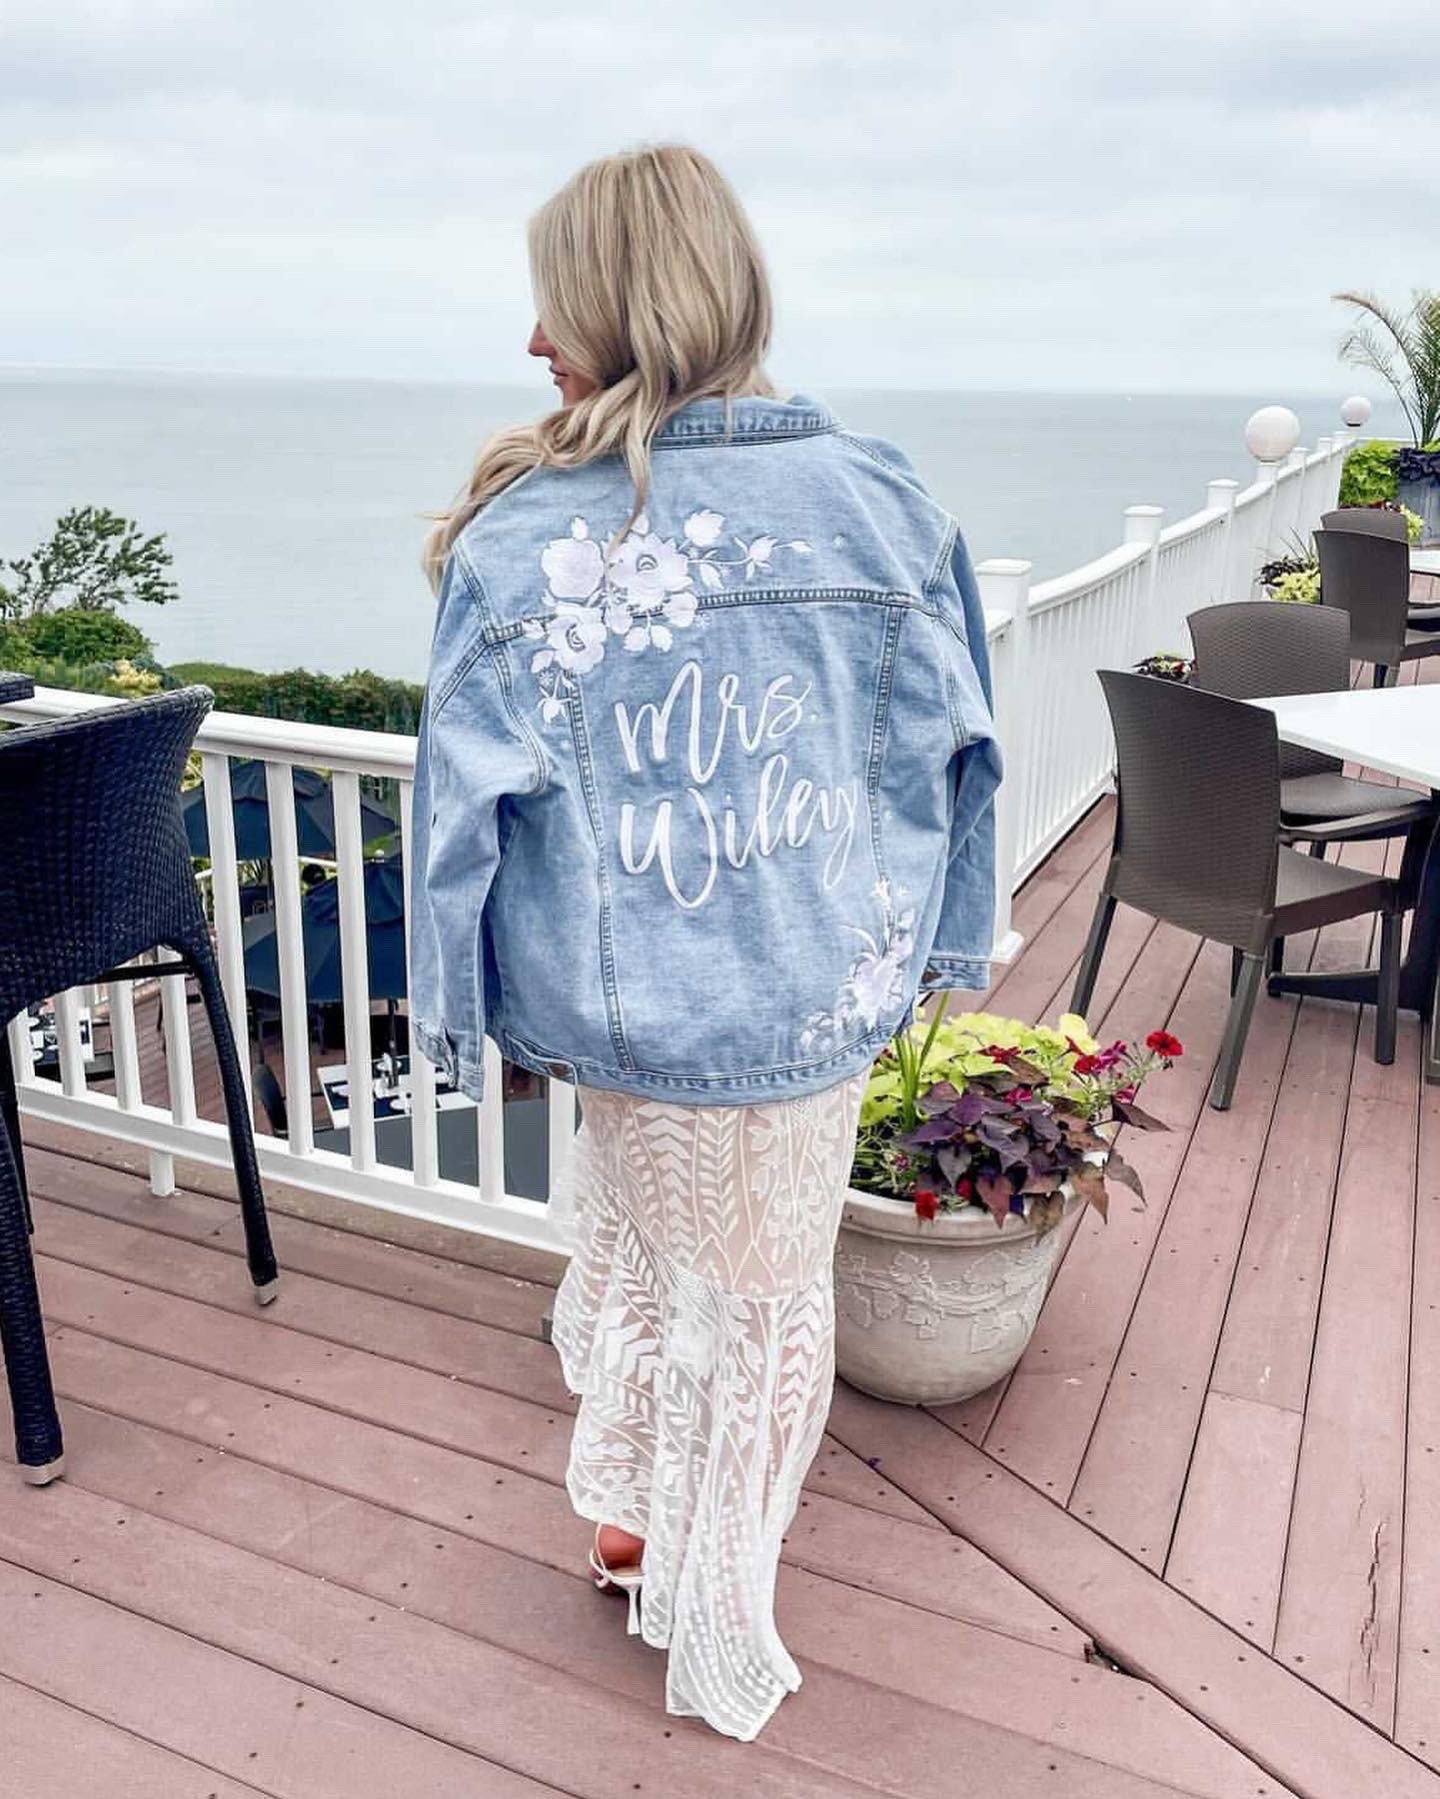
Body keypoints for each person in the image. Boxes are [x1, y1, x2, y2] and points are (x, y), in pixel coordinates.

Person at [411, 143, 1000, 1742]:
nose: (535, 344)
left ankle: (660, 1544)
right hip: (814, 994)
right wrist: (950, 946)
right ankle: (700, 1579)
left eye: (555, 305)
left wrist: (455, 1016)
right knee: (758, 1296)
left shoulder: (529, 534)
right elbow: (963, 753)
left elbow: (456, 807)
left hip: (620, 1007)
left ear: (621, 301)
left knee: (657, 1256)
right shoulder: (883, 502)